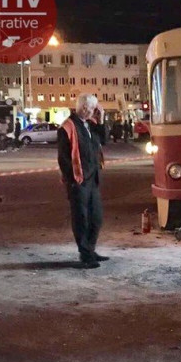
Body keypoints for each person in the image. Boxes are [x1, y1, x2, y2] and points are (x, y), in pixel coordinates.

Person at [58, 94, 108, 269]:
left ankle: (91, 249)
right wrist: (73, 180)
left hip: (92, 178)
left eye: (95, 109)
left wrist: (101, 120)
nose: (93, 111)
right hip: (78, 180)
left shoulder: (91, 124)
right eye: (92, 108)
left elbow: (104, 140)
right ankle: (85, 254)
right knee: (81, 218)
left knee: (96, 217)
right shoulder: (67, 127)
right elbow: (63, 158)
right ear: (84, 107)